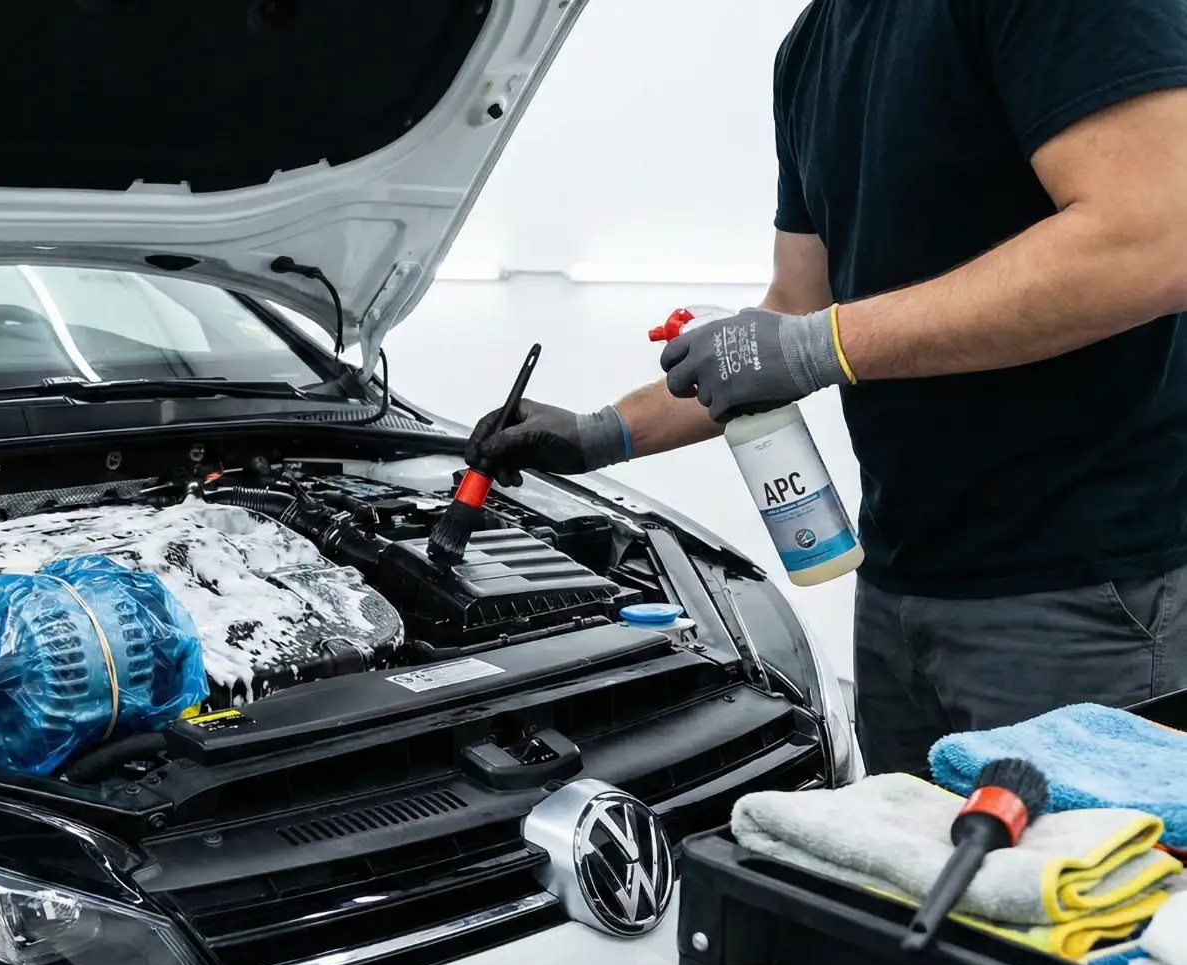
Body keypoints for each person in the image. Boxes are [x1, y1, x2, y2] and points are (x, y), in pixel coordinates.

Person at [467, 0, 1187, 775]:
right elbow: (791, 316)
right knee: (897, 892)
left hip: (1084, 594)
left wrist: (818, 346)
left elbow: (1154, 238)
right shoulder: (813, 47)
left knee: (1087, 891)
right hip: (900, 590)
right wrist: (602, 431)